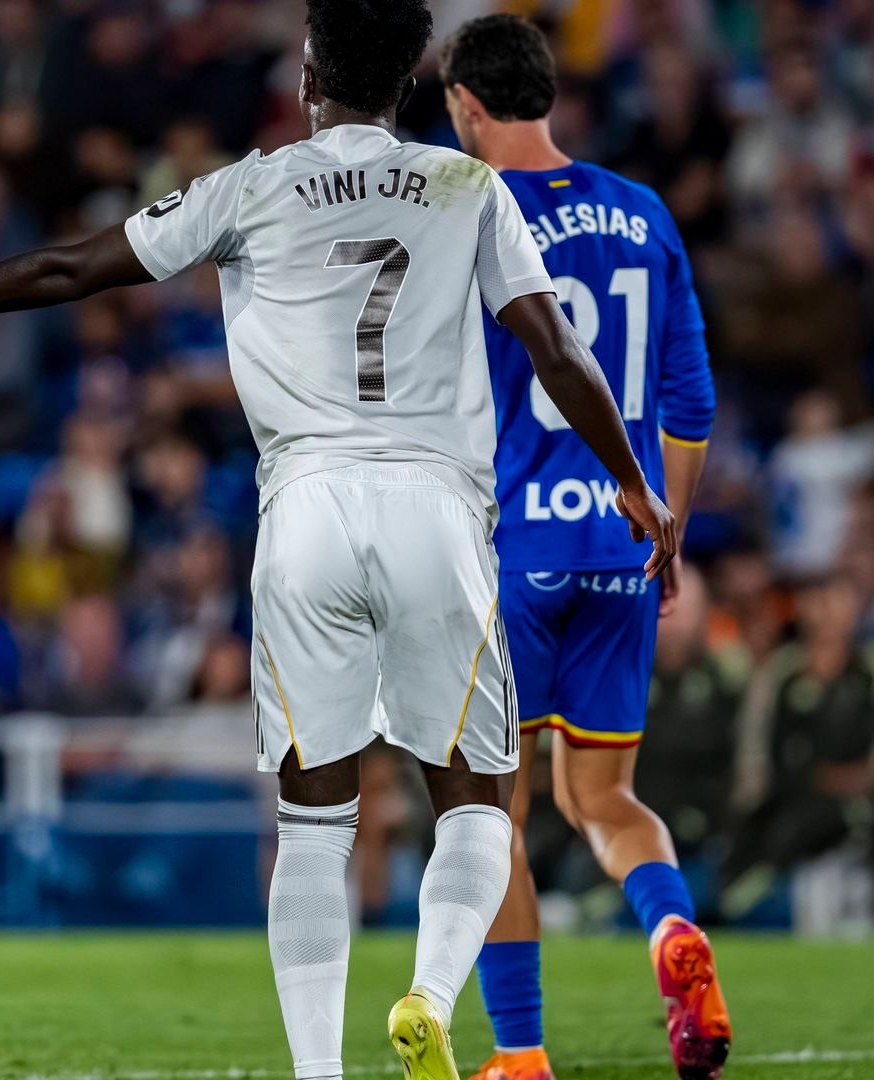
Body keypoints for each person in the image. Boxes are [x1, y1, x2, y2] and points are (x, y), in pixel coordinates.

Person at [0, 2, 678, 1075]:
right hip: (437, 511)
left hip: (304, 512)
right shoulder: (467, 189)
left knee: (313, 825)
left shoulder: (250, 185)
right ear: (411, 83)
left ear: (309, 76)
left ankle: (317, 1074)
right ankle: (432, 1000)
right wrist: (636, 485)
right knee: (478, 805)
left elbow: (73, 271)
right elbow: (554, 347)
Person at [439, 16, 728, 1080]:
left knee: (491, 813)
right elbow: (689, 399)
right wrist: (667, 528)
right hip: (621, 544)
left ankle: (520, 1058)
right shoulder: (646, 212)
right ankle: (670, 933)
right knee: (603, 798)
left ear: (468, 103)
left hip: (511, 547)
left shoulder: (470, 209)